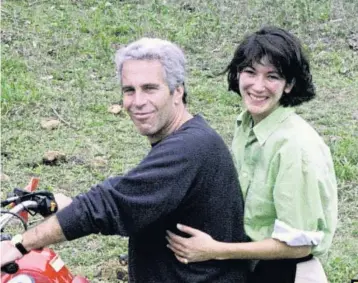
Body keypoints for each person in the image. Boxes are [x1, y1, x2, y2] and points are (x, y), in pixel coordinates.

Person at [1, 38, 249, 282]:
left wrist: (19, 245)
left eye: (150, 88)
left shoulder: (189, 148)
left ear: (178, 92)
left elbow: (110, 204)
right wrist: (69, 205)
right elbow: (133, 204)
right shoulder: (188, 138)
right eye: (129, 90)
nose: (138, 102)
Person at [166, 26, 338, 283]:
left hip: (288, 272)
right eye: (250, 72)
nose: (258, 86)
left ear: (289, 84)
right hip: (255, 267)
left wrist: (216, 250)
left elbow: (299, 245)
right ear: (237, 75)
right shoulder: (246, 125)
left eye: (272, 76)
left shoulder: (296, 148)